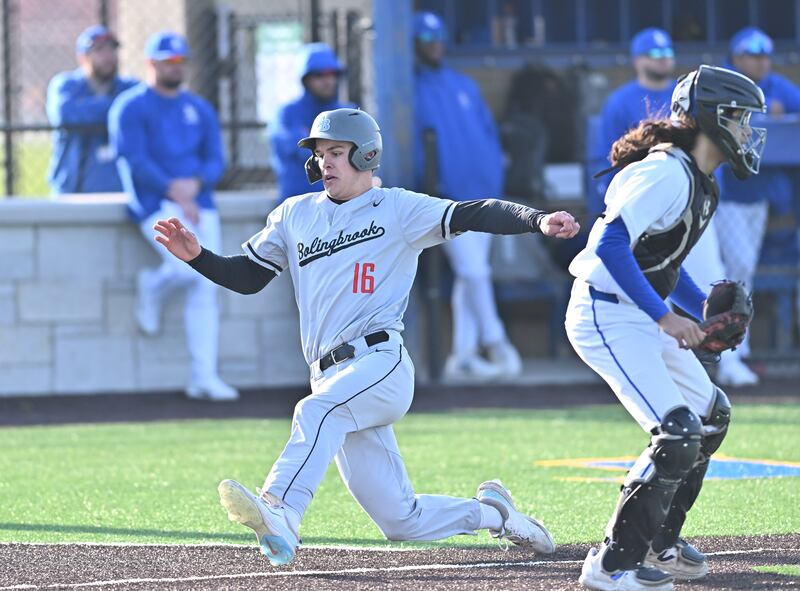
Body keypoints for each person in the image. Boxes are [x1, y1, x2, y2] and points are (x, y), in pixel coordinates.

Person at [151, 107, 579, 565]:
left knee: (315, 411)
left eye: (337, 152)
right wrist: (199, 257)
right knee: (401, 520)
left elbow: (475, 213)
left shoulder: (398, 207)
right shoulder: (295, 214)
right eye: (320, 154)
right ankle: (494, 514)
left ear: (366, 154)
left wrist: (535, 219)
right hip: (331, 377)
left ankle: (281, 510)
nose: (325, 163)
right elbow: (250, 277)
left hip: (380, 363)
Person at [565, 66, 766, 590]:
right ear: (713, 119)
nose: (747, 132)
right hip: (604, 311)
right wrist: (665, 318)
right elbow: (609, 244)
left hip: (636, 310)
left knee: (710, 415)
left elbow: (661, 265)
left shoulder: (699, 180)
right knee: (676, 433)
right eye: (741, 120)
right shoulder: (666, 172)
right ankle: (610, 567)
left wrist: (700, 311)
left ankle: (659, 543)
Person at [109, 32, 237, 402]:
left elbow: (216, 159)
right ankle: (152, 285)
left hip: (200, 203)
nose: (175, 68)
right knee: (184, 269)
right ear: (151, 63)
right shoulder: (130, 107)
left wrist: (195, 185)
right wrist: (174, 189)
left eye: (180, 61)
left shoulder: (200, 108)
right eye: (168, 61)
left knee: (206, 284)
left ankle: (204, 377)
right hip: (154, 203)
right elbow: (134, 158)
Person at [413, 11, 522, 380]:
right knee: (473, 270)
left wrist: (496, 176)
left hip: (485, 194)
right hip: (446, 199)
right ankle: (496, 339)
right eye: (427, 40)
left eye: (438, 38)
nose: (434, 46)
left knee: (469, 276)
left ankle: (461, 356)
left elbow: (488, 134)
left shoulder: (463, 84)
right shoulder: (408, 88)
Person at [712, 27, 800, 386]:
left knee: (741, 271)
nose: (759, 62)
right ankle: (730, 352)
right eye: (751, 56)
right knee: (735, 270)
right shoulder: (722, 83)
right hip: (724, 200)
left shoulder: (779, 88)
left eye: (764, 56)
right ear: (736, 58)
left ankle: (736, 351)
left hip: (758, 199)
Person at [46, 25, 137, 194]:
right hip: (72, 192)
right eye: (100, 50)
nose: (108, 56)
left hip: (119, 192)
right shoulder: (66, 85)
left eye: (112, 50)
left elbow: (142, 111)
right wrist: (116, 109)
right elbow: (66, 114)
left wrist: (89, 107)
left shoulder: (129, 87)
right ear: (82, 57)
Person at [269, 43, 352, 203]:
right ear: (306, 80)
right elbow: (299, 150)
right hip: (299, 207)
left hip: (342, 205)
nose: (328, 81)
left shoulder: (347, 111)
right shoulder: (288, 113)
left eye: (332, 74)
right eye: (319, 75)